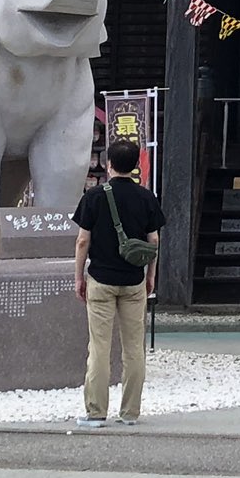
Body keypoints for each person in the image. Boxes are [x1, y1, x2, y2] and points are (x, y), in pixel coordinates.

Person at [73, 139, 164, 426]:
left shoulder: (95, 197)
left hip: (101, 279)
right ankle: (130, 413)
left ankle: (96, 412)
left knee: (99, 348)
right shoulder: (146, 198)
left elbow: (82, 240)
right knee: (134, 348)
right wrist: (150, 276)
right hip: (134, 282)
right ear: (136, 165)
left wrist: (78, 276)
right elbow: (154, 241)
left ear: (109, 164)